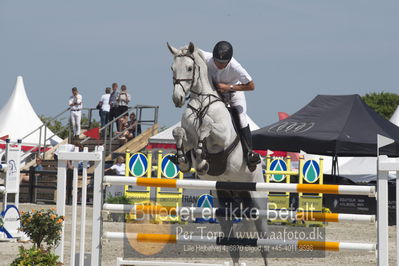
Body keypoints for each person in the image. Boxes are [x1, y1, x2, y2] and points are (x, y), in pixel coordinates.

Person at [200, 41, 260, 171]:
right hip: (215, 93)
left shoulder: (235, 67)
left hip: (234, 92)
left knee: (241, 118)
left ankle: (249, 153)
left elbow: (251, 86)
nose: (219, 65)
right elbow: (194, 51)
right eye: (217, 62)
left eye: (223, 63)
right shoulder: (207, 57)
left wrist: (228, 87)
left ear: (229, 60)